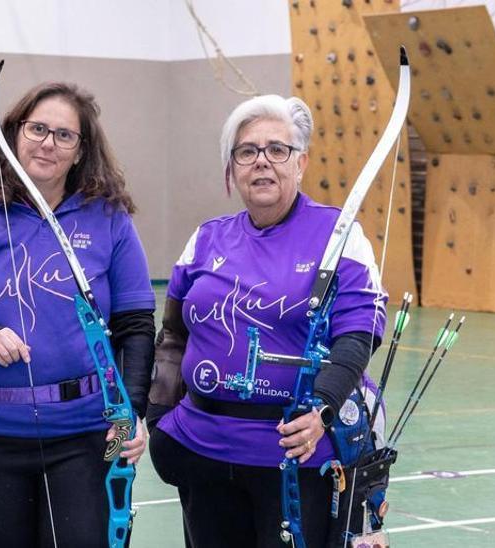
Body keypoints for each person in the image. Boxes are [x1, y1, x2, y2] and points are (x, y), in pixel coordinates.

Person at [0, 82, 156, 548]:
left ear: (82, 150)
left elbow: (136, 327)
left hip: (84, 437)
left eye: (64, 135)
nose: (48, 142)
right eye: (37, 128)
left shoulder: (109, 219)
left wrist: (132, 415)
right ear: (15, 134)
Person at [147, 94, 388, 548]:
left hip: (294, 454)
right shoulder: (205, 238)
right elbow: (174, 335)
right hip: (203, 450)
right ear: (232, 168)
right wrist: (158, 416)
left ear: (301, 163)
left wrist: (322, 407)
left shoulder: (340, 237)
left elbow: (358, 335)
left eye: (278, 150)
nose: (262, 162)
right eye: (247, 151)